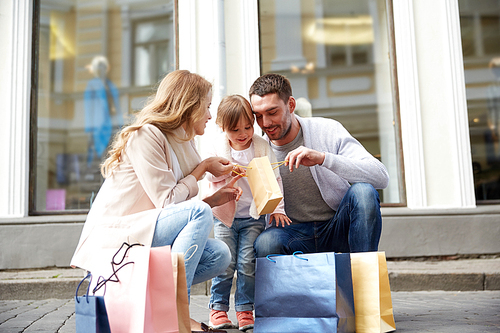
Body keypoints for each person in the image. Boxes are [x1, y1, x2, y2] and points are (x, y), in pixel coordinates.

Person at [71, 70, 242, 333]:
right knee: (197, 211)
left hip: (145, 231)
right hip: (118, 239)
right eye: (207, 107)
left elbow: (177, 210)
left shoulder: (183, 143)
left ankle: (158, 303)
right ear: (189, 105)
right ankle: (175, 313)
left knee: (220, 254)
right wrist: (204, 168)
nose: (210, 116)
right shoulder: (146, 135)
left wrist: (212, 198)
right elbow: (167, 201)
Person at [248, 73, 389, 257]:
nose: (265, 123)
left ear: (291, 105)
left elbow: (380, 176)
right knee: (267, 242)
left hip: (336, 226)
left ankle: (365, 281)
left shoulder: (327, 130)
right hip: (292, 233)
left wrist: (323, 158)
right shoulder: (258, 151)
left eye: (272, 112)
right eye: (258, 116)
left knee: (363, 192)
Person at [204, 95, 290, 331]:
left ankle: (245, 309)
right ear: (223, 127)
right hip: (225, 216)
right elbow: (210, 176)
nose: (243, 134)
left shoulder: (261, 146)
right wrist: (230, 171)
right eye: (235, 129)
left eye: (248, 127)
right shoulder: (217, 147)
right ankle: (218, 309)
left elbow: (275, 179)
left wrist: (277, 209)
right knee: (225, 264)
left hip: (252, 217)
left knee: (247, 263)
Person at [84, 55, 124, 168]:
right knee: (100, 156)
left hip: (112, 125)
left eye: (103, 66)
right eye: (99, 66)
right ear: (96, 68)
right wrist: (89, 129)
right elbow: (88, 108)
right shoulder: (92, 85)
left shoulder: (110, 85)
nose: (101, 68)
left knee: (112, 155)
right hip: (99, 126)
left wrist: (120, 124)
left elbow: (117, 106)